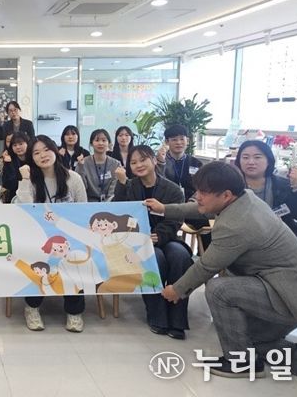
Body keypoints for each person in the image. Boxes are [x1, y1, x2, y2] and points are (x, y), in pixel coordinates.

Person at [145, 162, 297, 380]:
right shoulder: (245, 198)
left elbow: (206, 266)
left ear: (226, 195)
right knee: (247, 338)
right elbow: (200, 207)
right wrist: (165, 209)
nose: (198, 196)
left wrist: (177, 290)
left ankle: (241, 362)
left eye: (203, 192)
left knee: (218, 289)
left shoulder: (236, 225)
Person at [12, 135, 88, 332]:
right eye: (36, 153)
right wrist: (25, 179)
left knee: (74, 258)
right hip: (38, 237)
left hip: (69, 236)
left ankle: (74, 311)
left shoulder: (73, 178)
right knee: (35, 258)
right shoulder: (31, 181)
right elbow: (23, 210)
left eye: (46, 150)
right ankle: (32, 307)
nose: (43, 155)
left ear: (55, 150)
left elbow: (83, 210)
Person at [114, 145, 191, 340]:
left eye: (143, 160)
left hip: (167, 238)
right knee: (154, 257)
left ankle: (178, 319)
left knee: (180, 256)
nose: (139, 165)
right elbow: (118, 212)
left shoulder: (173, 189)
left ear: (154, 160)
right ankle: (157, 314)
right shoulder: (129, 186)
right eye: (133, 162)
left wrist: (159, 235)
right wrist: (121, 184)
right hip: (138, 242)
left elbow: (176, 219)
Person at [233, 140, 297, 281]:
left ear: (269, 161)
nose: (251, 162)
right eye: (245, 157)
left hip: (282, 239)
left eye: (257, 157)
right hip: (245, 241)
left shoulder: (282, 184)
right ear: (238, 161)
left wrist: (296, 187)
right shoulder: (232, 186)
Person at [156, 124, 202, 198]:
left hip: (190, 201)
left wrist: (192, 201)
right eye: (174, 139)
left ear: (187, 141)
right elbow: (158, 183)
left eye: (182, 139)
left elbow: (201, 187)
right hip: (166, 201)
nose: (178, 142)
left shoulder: (195, 163)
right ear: (167, 142)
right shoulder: (160, 161)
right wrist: (161, 162)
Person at [76, 129, 121, 202]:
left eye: (104, 140)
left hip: (111, 203)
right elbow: (81, 187)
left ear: (109, 143)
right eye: (97, 140)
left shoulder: (116, 164)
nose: (100, 143)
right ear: (91, 143)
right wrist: (81, 167)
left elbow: (114, 189)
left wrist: (108, 203)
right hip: (88, 203)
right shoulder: (83, 163)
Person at [0, 132, 30, 203]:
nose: (18, 147)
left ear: (28, 144)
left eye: (21, 144)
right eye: (14, 145)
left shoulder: (34, 160)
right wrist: (8, 164)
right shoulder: (9, 161)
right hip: (14, 198)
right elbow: (7, 184)